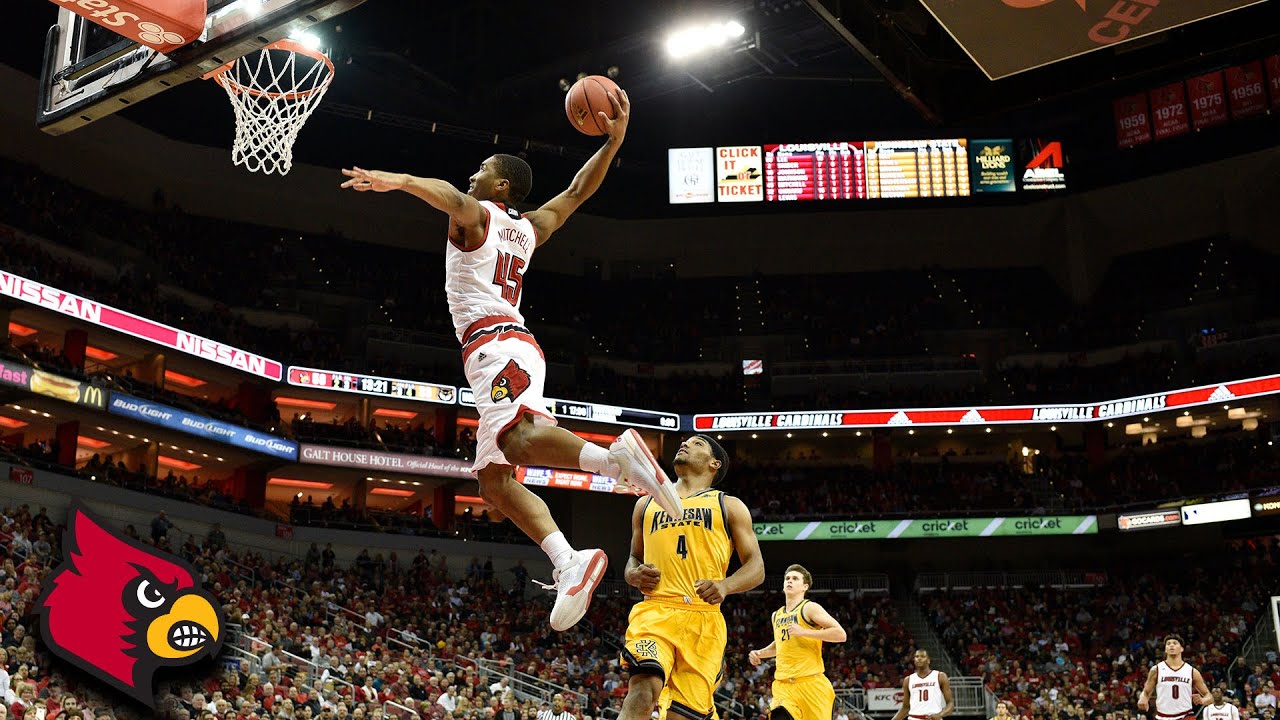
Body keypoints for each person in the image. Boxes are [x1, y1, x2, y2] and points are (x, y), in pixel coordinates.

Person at [340, 87, 681, 631]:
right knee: (494, 481)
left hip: (497, 344)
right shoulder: (529, 229)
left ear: (500, 184)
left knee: (516, 440)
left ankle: (616, 461)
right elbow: (574, 192)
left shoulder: (474, 216)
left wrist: (397, 180)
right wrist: (612, 145)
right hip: (504, 347)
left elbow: (450, 196)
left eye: (482, 169)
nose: (472, 175)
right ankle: (570, 561)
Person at [616, 435, 764, 720]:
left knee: (681, 716)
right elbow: (632, 558)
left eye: (697, 444)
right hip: (656, 611)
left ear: (714, 463)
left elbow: (756, 567)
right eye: (685, 441)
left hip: (702, 619)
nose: (685, 444)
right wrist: (634, 574)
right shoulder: (645, 504)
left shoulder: (729, 505)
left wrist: (726, 585)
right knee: (643, 689)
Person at [748, 564, 846, 720]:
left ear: (804, 586)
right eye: (787, 578)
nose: (789, 581)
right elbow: (780, 644)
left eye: (795, 578)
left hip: (811, 685)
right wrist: (760, 653)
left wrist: (804, 632)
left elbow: (840, 634)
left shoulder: (809, 608)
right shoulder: (777, 615)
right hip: (784, 686)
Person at [1137, 634, 1211, 720]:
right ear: (1165, 649)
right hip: (1163, 717)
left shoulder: (1192, 671)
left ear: (1182, 649)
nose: (1171, 645)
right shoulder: (1156, 669)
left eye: (1175, 643)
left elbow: (1209, 696)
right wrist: (1143, 698)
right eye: (1168, 644)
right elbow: (1146, 692)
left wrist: (1202, 700)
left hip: (1186, 716)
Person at [890, 650, 955, 720]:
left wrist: (940, 714)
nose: (919, 658)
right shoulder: (908, 680)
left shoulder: (940, 676)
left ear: (928, 660)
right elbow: (905, 708)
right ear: (914, 660)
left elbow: (950, 704)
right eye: (917, 656)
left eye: (923, 656)